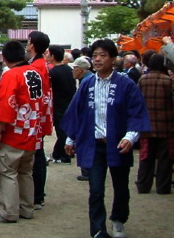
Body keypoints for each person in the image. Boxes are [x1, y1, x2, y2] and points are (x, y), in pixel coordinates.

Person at [62, 39, 151, 238]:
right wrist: (71, 138)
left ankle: (118, 220)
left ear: (113, 59)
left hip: (118, 143)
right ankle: (98, 229)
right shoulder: (87, 84)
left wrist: (130, 136)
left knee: (120, 187)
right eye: (95, 56)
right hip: (94, 144)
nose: (98, 59)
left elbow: (136, 112)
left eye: (103, 55)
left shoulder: (126, 84)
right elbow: (77, 112)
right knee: (95, 190)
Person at [0, 40, 42, 224]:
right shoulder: (34, 72)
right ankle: (27, 208)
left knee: (7, 171)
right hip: (31, 129)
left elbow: (5, 104)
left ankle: (9, 212)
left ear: (5, 57)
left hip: (14, 132)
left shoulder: (11, 75)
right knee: (26, 171)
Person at [135, 53, 174, 194]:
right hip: (166, 124)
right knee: (165, 157)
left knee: (146, 156)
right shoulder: (168, 81)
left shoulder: (143, 79)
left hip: (146, 124)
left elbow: (136, 101)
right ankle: (163, 187)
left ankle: (143, 185)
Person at [26, 31, 52, 210]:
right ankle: (37, 195)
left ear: (32, 45)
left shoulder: (37, 67)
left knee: (37, 156)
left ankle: (37, 195)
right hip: (40, 114)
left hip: (36, 114)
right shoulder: (41, 64)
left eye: (28, 41)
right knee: (38, 155)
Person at [46, 45, 77, 164]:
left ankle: (63, 154)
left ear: (52, 56)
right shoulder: (69, 70)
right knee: (65, 129)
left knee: (61, 131)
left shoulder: (53, 72)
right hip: (69, 103)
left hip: (59, 104)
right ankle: (60, 153)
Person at [71, 56, 94, 182]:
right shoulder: (88, 79)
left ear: (80, 70)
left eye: (74, 68)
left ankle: (87, 171)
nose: (72, 71)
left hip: (86, 120)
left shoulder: (87, 81)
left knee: (85, 145)